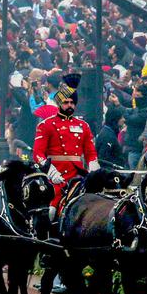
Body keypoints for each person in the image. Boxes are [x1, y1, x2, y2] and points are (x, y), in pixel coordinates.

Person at [32, 73, 99, 207]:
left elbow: (90, 153)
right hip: (55, 176)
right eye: (66, 102)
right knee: (50, 212)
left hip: (78, 176)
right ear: (59, 104)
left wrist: (93, 165)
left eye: (72, 103)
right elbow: (38, 154)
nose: (69, 105)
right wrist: (50, 171)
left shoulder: (83, 126)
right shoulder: (46, 125)